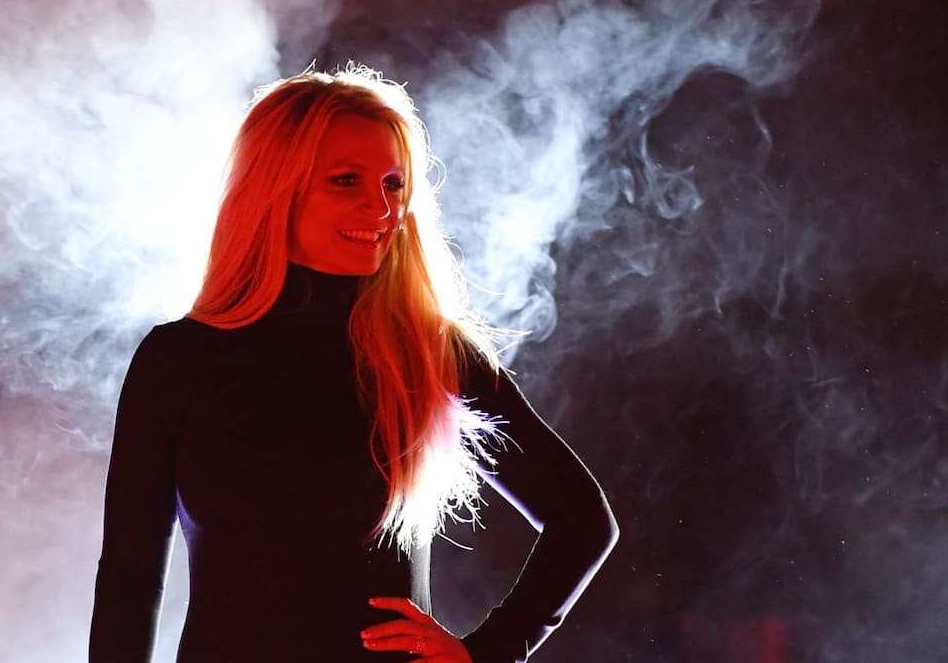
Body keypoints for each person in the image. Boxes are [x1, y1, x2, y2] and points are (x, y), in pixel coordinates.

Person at [89, 64, 618, 663]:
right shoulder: (178, 360)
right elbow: (130, 575)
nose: (381, 208)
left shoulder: (429, 353)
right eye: (346, 180)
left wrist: (490, 650)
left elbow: (582, 518)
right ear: (274, 189)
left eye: (394, 184)